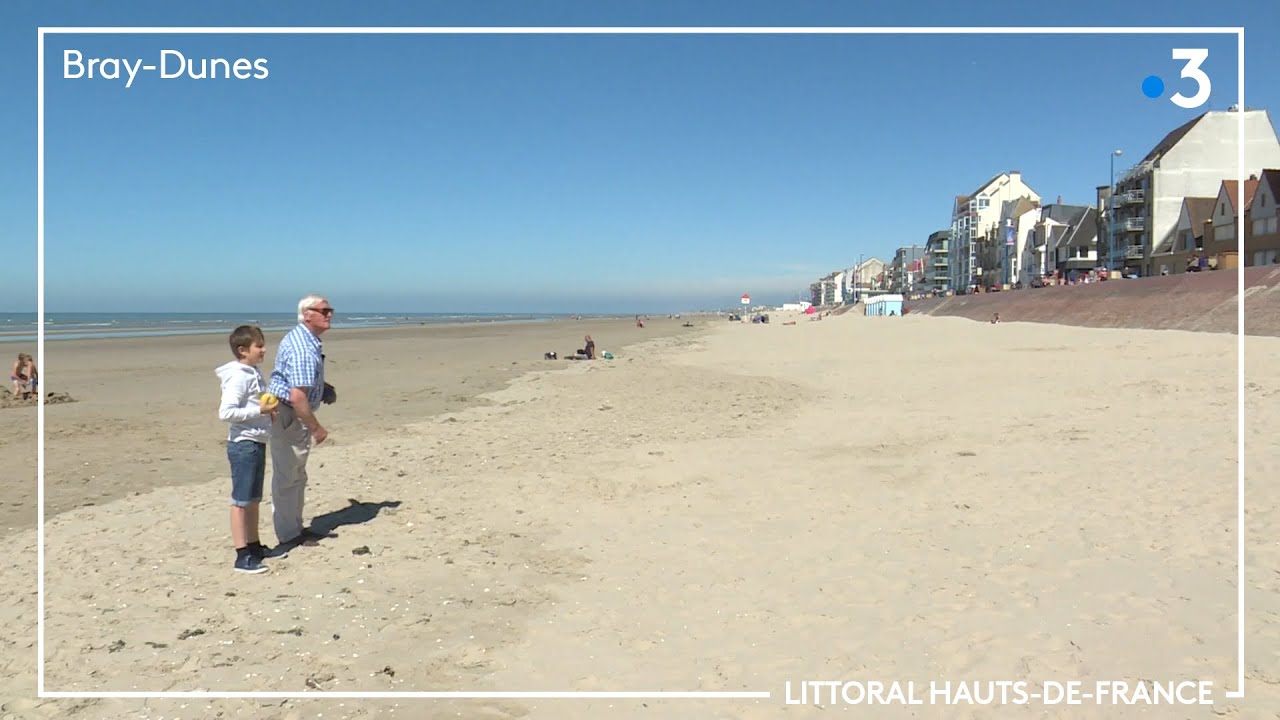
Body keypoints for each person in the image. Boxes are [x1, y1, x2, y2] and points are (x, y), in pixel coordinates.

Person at [268, 294, 334, 549]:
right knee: (288, 475)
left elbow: (298, 382)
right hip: (288, 414)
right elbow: (296, 396)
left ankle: (295, 528)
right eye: (323, 310)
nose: (328, 314)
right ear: (307, 314)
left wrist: (323, 389)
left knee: (296, 473)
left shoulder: (307, 341)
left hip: (290, 412)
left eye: (330, 310)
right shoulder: (302, 347)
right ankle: (288, 534)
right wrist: (316, 427)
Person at [216, 325, 276, 574]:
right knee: (241, 500)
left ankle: (254, 545)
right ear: (242, 350)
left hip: (257, 440)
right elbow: (226, 413)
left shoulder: (253, 372)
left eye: (263, 345)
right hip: (243, 444)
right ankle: (242, 554)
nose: (263, 350)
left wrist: (268, 411)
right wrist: (259, 411)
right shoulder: (239, 375)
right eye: (258, 346)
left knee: (253, 499)